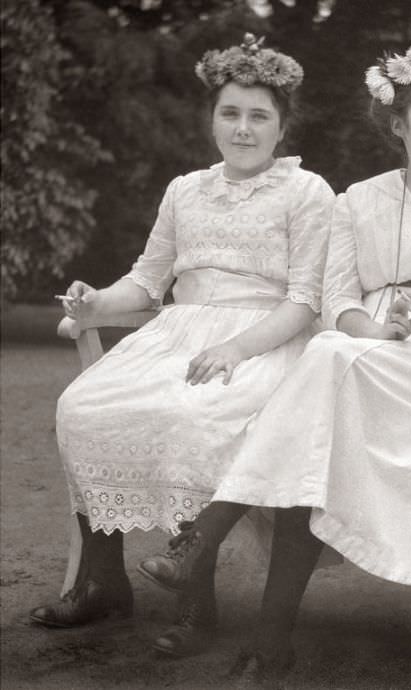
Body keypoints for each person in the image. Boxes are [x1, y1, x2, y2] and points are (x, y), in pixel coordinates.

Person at [137, 36, 411, 674]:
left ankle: (204, 537)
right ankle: (270, 638)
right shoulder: (358, 199)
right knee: (315, 439)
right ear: (398, 125)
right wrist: (373, 331)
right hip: (367, 347)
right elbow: (337, 299)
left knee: (324, 366)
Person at [30, 34, 335, 655]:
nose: (243, 129)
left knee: (191, 418)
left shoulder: (307, 193)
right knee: (84, 406)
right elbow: (147, 280)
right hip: (178, 333)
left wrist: (238, 349)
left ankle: (198, 606)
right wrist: (96, 302)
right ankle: (103, 581)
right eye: (230, 113)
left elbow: (304, 300)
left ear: (282, 127)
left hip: (264, 340)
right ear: (211, 119)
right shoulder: (186, 189)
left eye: (259, 117)